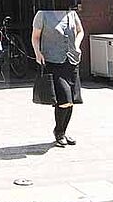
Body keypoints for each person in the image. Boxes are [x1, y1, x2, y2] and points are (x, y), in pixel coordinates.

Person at [31, 8, 84, 147]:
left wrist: (77, 46)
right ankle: (59, 131)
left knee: (71, 101)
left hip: (71, 62)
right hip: (53, 62)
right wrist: (38, 53)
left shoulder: (71, 13)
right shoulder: (42, 14)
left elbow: (80, 31)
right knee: (64, 98)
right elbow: (35, 37)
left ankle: (63, 132)